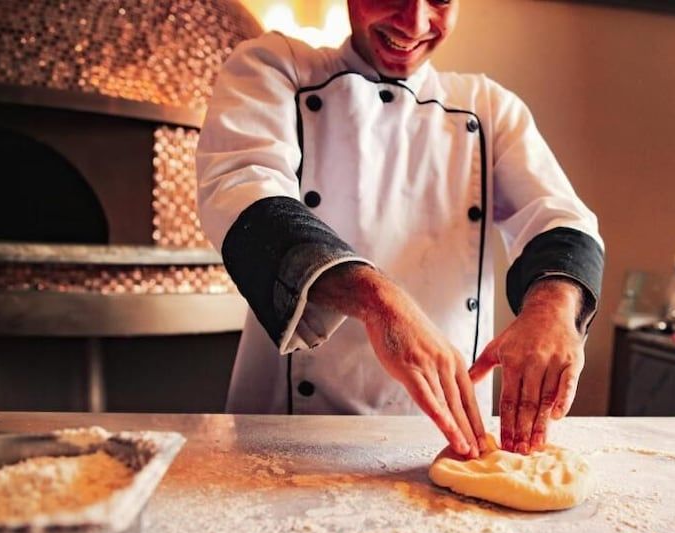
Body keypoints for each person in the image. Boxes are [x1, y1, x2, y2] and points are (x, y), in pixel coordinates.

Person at [196, 0, 604, 459]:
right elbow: (245, 192)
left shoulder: (490, 109)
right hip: (285, 439)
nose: (413, 22)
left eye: (440, 1)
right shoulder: (274, 67)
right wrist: (380, 303)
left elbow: (558, 216)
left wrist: (552, 308)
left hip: (441, 437)